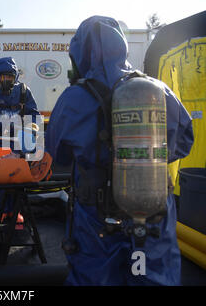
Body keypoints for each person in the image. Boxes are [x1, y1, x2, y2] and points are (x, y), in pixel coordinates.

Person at [45, 16, 194, 285]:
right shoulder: (156, 89)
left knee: (95, 279)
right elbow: (185, 141)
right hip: (153, 212)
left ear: (80, 54)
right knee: (153, 277)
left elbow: (58, 155)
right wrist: (142, 160)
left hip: (96, 220)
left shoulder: (73, 99)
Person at [0, 57, 40, 225]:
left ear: (15, 77)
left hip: (19, 145)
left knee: (18, 180)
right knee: (0, 181)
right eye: (3, 77)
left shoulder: (25, 92)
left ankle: (16, 213)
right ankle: (1, 211)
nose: (6, 80)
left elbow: (34, 114)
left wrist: (32, 127)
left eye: (10, 77)